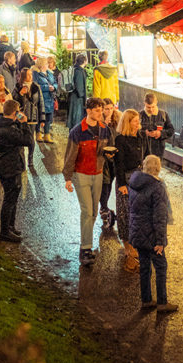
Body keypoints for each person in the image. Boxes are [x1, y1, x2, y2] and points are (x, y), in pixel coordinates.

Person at [63, 97, 113, 266]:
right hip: (81, 174)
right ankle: (86, 249)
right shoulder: (77, 132)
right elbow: (70, 156)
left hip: (97, 174)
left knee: (92, 211)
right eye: (98, 110)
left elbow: (110, 150)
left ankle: (86, 242)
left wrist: (110, 155)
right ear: (89, 111)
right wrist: (68, 178)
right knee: (87, 210)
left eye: (102, 110)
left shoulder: (105, 130)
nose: (101, 113)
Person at [127, 154, 177, 313]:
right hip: (152, 236)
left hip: (138, 234)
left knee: (145, 268)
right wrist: (161, 241)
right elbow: (160, 217)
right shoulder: (158, 187)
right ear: (158, 168)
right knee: (161, 267)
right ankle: (162, 302)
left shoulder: (134, 183)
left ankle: (146, 300)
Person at [0, 99, 34, 243]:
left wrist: (17, 121)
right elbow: (28, 140)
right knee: (10, 200)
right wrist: (24, 123)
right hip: (10, 166)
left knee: (12, 199)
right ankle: (5, 232)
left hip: (1, 164)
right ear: (15, 112)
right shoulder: (9, 130)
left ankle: (10, 227)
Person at [114, 108, 145, 273]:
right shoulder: (120, 140)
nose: (138, 123)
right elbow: (118, 164)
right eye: (135, 121)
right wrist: (121, 184)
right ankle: (128, 247)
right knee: (125, 213)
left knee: (138, 213)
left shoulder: (141, 137)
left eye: (138, 120)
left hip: (139, 179)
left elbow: (146, 157)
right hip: (126, 181)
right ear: (128, 122)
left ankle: (135, 245)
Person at [11, 67, 43, 168]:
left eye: (31, 74)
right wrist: (21, 94)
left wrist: (42, 118)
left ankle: (30, 159)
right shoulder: (17, 87)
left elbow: (41, 103)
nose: (30, 76)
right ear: (23, 76)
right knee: (20, 138)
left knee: (30, 139)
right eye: (28, 75)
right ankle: (21, 160)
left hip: (32, 117)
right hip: (20, 116)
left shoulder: (36, 87)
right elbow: (12, 102)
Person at [98, 98, 122, 229]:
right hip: (104, 159)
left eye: (111, 108)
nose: (109, 111)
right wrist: (103, 125)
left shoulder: (118, 119)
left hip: (115, 157)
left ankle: (105, 209)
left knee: (112, 182)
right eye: (106, 109)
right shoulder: (98, 122)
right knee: (105, 184)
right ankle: (104, 209)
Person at [32, 55, 59, 143]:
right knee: (40, 116)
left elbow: (55, 82)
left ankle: (47, 135)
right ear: (42, 65)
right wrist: (47, 87)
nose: (48, 65)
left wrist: (54, 87)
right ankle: (38, 134)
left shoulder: (50, 73)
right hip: (41, 99)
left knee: (48, 118)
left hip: (50, 99)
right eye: (46, 63)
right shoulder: (36, 73)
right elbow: (35, 85)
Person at [139, 93, 174, 159]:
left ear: (156, 103)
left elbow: (171, 130)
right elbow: (133, 132)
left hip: (158, 153)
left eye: (153, 107)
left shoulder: (163, 115)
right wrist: (144, 133)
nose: (151, 110)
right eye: (148, 107)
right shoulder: (139, 115)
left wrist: (160, 133)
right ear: (144, 103)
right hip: (143, 153)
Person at [67, 53, 88, 129]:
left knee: (73, 118)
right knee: (76, 119)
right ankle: (74, 137)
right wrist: (83, 96)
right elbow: (79, 87)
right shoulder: (79, 71)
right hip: (77, 99)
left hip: (73, 97)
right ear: (85, 61)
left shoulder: (74, 69)